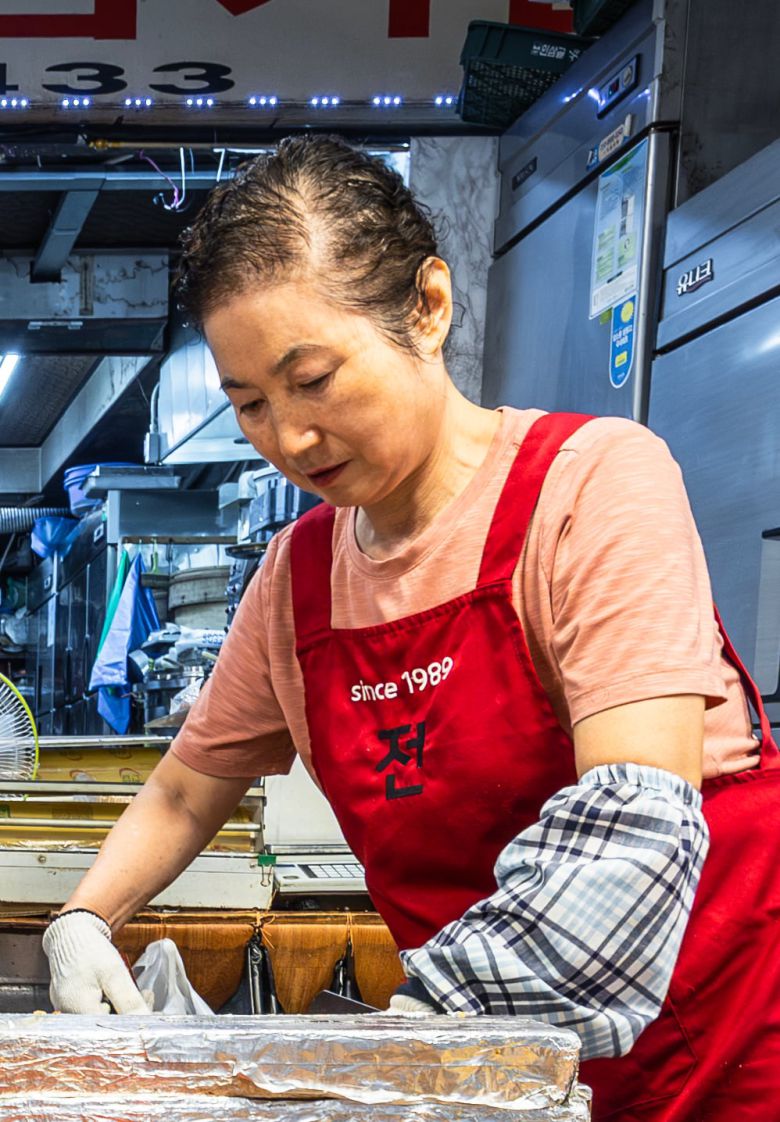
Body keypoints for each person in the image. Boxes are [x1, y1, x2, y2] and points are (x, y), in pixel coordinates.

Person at [43, 136, 780, 1121]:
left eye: (313, 380)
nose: (289, 438)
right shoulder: (298, 579)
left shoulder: (591, 485)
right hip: (481, 1080)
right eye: (250, 404)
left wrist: (417, 1038)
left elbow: (632, 823)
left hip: (705, 1059)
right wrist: (83, 920)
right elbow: (184, 791)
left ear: (428, 307)